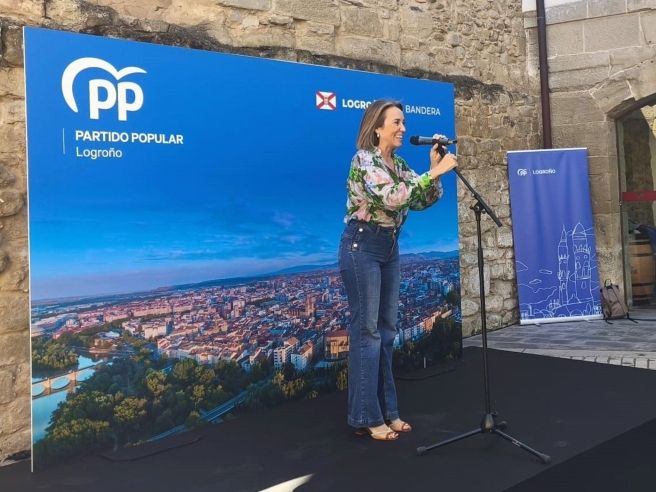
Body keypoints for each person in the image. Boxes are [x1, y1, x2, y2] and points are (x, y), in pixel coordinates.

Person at [338, 99, 458, 441]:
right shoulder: (364, 160)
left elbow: (420, 200)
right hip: (362, 246)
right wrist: (434, 172)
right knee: (368, 332)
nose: (404, 128)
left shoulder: (400, 164)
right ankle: (366, 416)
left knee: (387, 331)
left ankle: (388, 411)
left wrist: (432, 168)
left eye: (404, 122)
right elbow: (392, 197)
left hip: (389, 247)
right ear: (377, 128)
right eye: (397, 122)